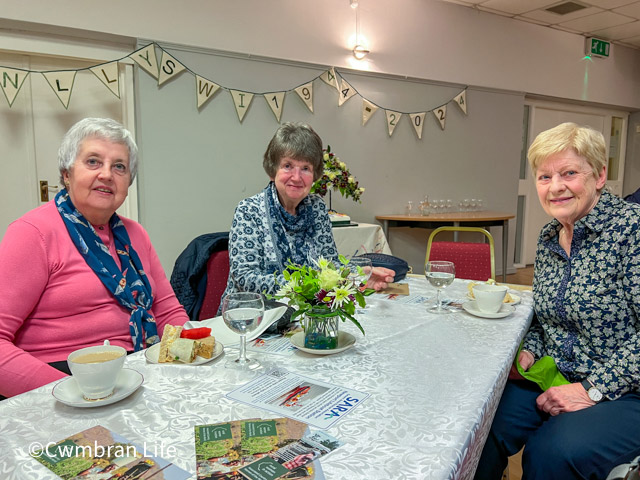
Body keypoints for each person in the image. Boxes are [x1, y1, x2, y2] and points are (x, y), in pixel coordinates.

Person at [475, 122, 640, 480]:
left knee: (552, 453)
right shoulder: (550, 235)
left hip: (626, 389)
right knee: (476, 421)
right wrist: (530, 350)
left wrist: (592, 390)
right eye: (544, 176)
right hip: (555, 373)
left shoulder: (632, 230)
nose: (556, 187)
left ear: (599, 176)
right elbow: (545, 316)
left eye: (569, 173)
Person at [0, 118, 188, 398]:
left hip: (136, 372)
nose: (107, 174)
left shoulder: (135, 234)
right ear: (67, 173)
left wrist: (194, 352)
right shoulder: (32, 234)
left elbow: (166, 311)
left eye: (119, 166)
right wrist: (72, 392)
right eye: (93, 162)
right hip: (59, 383)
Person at [221, 122, 394, 301]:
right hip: (251, 318)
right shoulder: (249, 211)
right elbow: (245, 279)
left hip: (303, 312)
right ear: (273, 171)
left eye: (305, 168)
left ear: (314, 175)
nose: (296, 177)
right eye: (287, 166)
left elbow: (329, 265)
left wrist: (355, 276)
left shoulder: (317, 208)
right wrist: (309, 284)